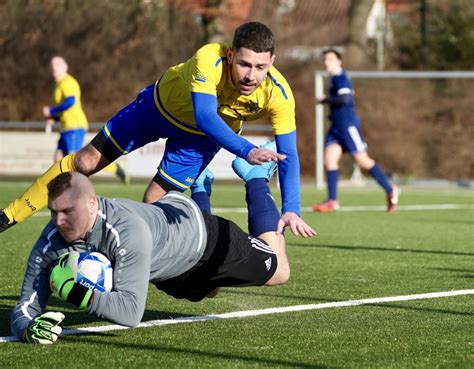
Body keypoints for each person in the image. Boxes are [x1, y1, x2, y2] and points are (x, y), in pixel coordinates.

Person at [0, 21, 313, 237]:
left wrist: (292, 207)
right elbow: (205, 115)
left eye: (261, 67)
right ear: (230, 55)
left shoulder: (280, 95)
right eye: (244, 64)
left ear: (272, 61)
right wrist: (246, 149)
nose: (251, 76)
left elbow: (288, 154)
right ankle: (10, 215)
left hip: (198, 140)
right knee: (84, 163)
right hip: (155, 111)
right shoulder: (209, 58)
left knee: (154, 204)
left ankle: (130, 254)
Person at [11, 159, 316, 344]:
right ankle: (200, 187)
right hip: (166, 268)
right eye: (52, 212)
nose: (58, 221)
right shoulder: (52, 237)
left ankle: (255, 178)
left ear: (92, 203)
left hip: (201, 240)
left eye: (67, 211)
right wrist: (27, 329)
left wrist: (74, 292)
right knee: (208, 293)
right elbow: (26, 303)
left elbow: (130, 313)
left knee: (279, 271)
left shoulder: (126, 232)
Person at [311, 49, 399, 213]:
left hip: (347, 126)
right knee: (329, 160)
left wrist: (325, 99)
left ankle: (390, 189)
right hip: (336, 128)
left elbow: (344, 99)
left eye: (330, 59)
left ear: (339, 61)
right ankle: (332, 200)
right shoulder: (334, 80)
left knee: (363, 161)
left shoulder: (341, 78)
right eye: (325, 59)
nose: (326, 63)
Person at [42, 56, 128, 181]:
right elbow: (66, 111)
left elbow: (71, 101)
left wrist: (51, 111)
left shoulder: (68, 82)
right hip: (65, 127)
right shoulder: (57, 85)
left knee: (79, 162)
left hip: (75, 127)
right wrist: (54, 118)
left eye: (58, 64)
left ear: (66, 67)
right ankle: (61, 189)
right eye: (52, 64)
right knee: (59, 157)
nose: (54, 66)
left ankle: (79, 188)